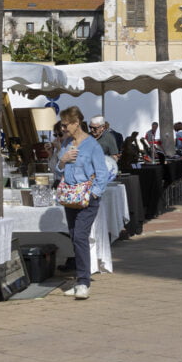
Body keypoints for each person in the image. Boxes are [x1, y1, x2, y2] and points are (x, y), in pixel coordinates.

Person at [55, 105, 113, 300]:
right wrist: (62, 161)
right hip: (71, 197)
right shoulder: (66, 144)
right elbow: (58, 170)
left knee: (80, 236)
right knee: (74, 237)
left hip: (86, 198)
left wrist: (93, 195)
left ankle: (83, 282)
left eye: (65, 125)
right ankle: (80, 279)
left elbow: (103, 174)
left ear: (76, 123)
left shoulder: (92, 146)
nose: (63, 129)